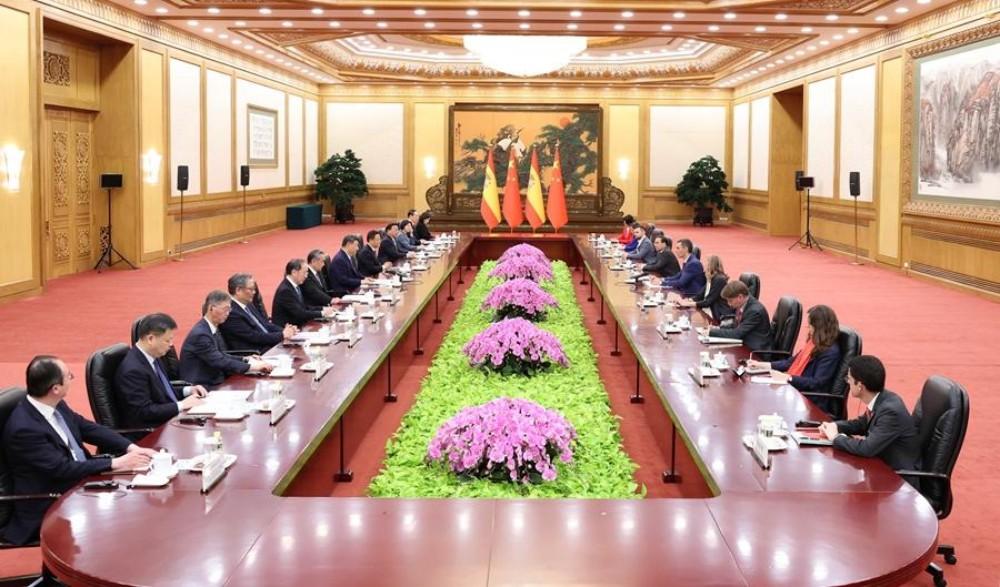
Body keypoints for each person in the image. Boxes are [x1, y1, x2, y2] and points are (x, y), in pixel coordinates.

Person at [2, 356, 158, 545]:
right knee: (125, 514)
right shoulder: (24, 429)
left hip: (78, 480)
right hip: (51, 500)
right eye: (69, 376)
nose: (71, 379)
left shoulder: (54, 403)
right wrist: (116, 463)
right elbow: (62, 469)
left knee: (141, 495)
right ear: (55, 388)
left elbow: (86, 427)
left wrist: (130, 447)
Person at [819, 355, 920, 471]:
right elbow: (862, 424)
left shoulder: (891, 412)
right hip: (881, 465)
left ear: (860, 386)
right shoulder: (881, 398)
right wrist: (835, 426)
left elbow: (866, 448)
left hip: (898, 476)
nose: (847, 382)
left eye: (849, 379)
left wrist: (836, 438)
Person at [116, 313, 207, 429]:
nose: (171, 345)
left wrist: (189, 390)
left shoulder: (153, 356)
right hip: (153, 430)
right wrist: (182, 405)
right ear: (151, 339)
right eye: (167, 340)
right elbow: (143, 412)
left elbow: (162, 391)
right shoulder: (133, 370)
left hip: (169, 419)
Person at [749, 305, 843, 412]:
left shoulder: (830, 352)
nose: (809, 330)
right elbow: (791, 362)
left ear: (819, 327)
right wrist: (763, 365)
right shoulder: (813, 344)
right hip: (797, 390)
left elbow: (816, 383)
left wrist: (788, 378)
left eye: (810, 326)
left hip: (809, 400)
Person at [180, 290, 272, 386]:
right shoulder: (201, 335)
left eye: (229, 309)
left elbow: (221, 355)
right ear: (211, 308)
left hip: (216, 379)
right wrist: (252, 367)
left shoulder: (211, 328)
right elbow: (219, 361)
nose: (228, 313)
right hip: (202, 386)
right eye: (225, 309)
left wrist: (246, 359)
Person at [221, 273, 296, 353]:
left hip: (267, 345)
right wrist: (281, 335)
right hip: (255, 352)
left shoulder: (248, 304)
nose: (254, 292)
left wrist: (286, 330)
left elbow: (265, 324)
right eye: (251, 289)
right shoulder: (231, 312)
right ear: (238, 290)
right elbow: (253, 336)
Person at [705, 280, 771, 351]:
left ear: (740, 297)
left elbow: (737, 334)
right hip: (745, 344)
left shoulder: (754, 311)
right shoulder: (743, 304)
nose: (729, 304)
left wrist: (712, 332)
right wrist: (718, 328)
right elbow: (736, 324)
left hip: (756, 351)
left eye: (730, 301)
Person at [272, 258, 335, 327]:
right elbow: (300, 313)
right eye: (304, 272)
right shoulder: (285, 291)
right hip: (288, 328)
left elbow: (303, 307)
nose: (306, 276)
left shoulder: (295, 285)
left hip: (298, 324)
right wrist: (322, 313)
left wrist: (323, 308)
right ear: (294, 272)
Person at [678, 255, 732, 321]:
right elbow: (700, 295)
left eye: (706, 263)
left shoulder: (719, 280)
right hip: (709, 311)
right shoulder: (711, 278)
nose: (704, 266)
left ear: (711, 265)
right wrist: (687, 300)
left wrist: (689, 304)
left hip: (719, 314)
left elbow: (708, 301)